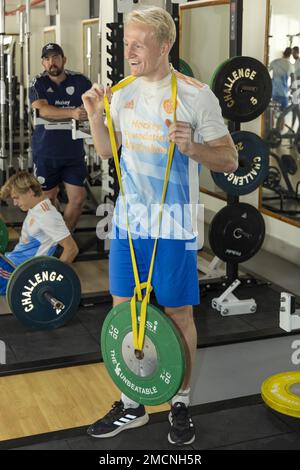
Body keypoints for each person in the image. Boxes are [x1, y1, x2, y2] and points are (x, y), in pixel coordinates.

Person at [82, 6, 238, 446]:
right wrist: (96, 114)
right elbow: (108, 153)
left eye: (137, 44)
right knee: (123, 312)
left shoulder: (196, 94)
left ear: (165, 45)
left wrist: (193, 148)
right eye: (125, 43)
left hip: (175, 220)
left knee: (177, 313)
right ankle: (132, 404)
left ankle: (180, 401)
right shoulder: (121, 93)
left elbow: (230, 160)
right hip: (131, 221)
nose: (127, 51)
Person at [29, 43, 92, 230]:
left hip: (73, 152)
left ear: (63, 60)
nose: (52, 62)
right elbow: (43, 109)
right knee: (48, 199)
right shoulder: (38, 82)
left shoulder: (80, 81)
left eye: (55, 57)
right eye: (47, 59)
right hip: (46, 152)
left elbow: (94, 104)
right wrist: (73, 112)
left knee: (78, 198)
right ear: (43, 63)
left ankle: (65, 238)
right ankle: (55, 238)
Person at [0, 172, 78, 295]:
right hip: (9, 262)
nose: (15, 203)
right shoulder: (35, 208)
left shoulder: (47, 216)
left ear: (30, 191)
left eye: (16, 197)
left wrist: (48, 280)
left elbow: (71, 249)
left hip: (18, 273)